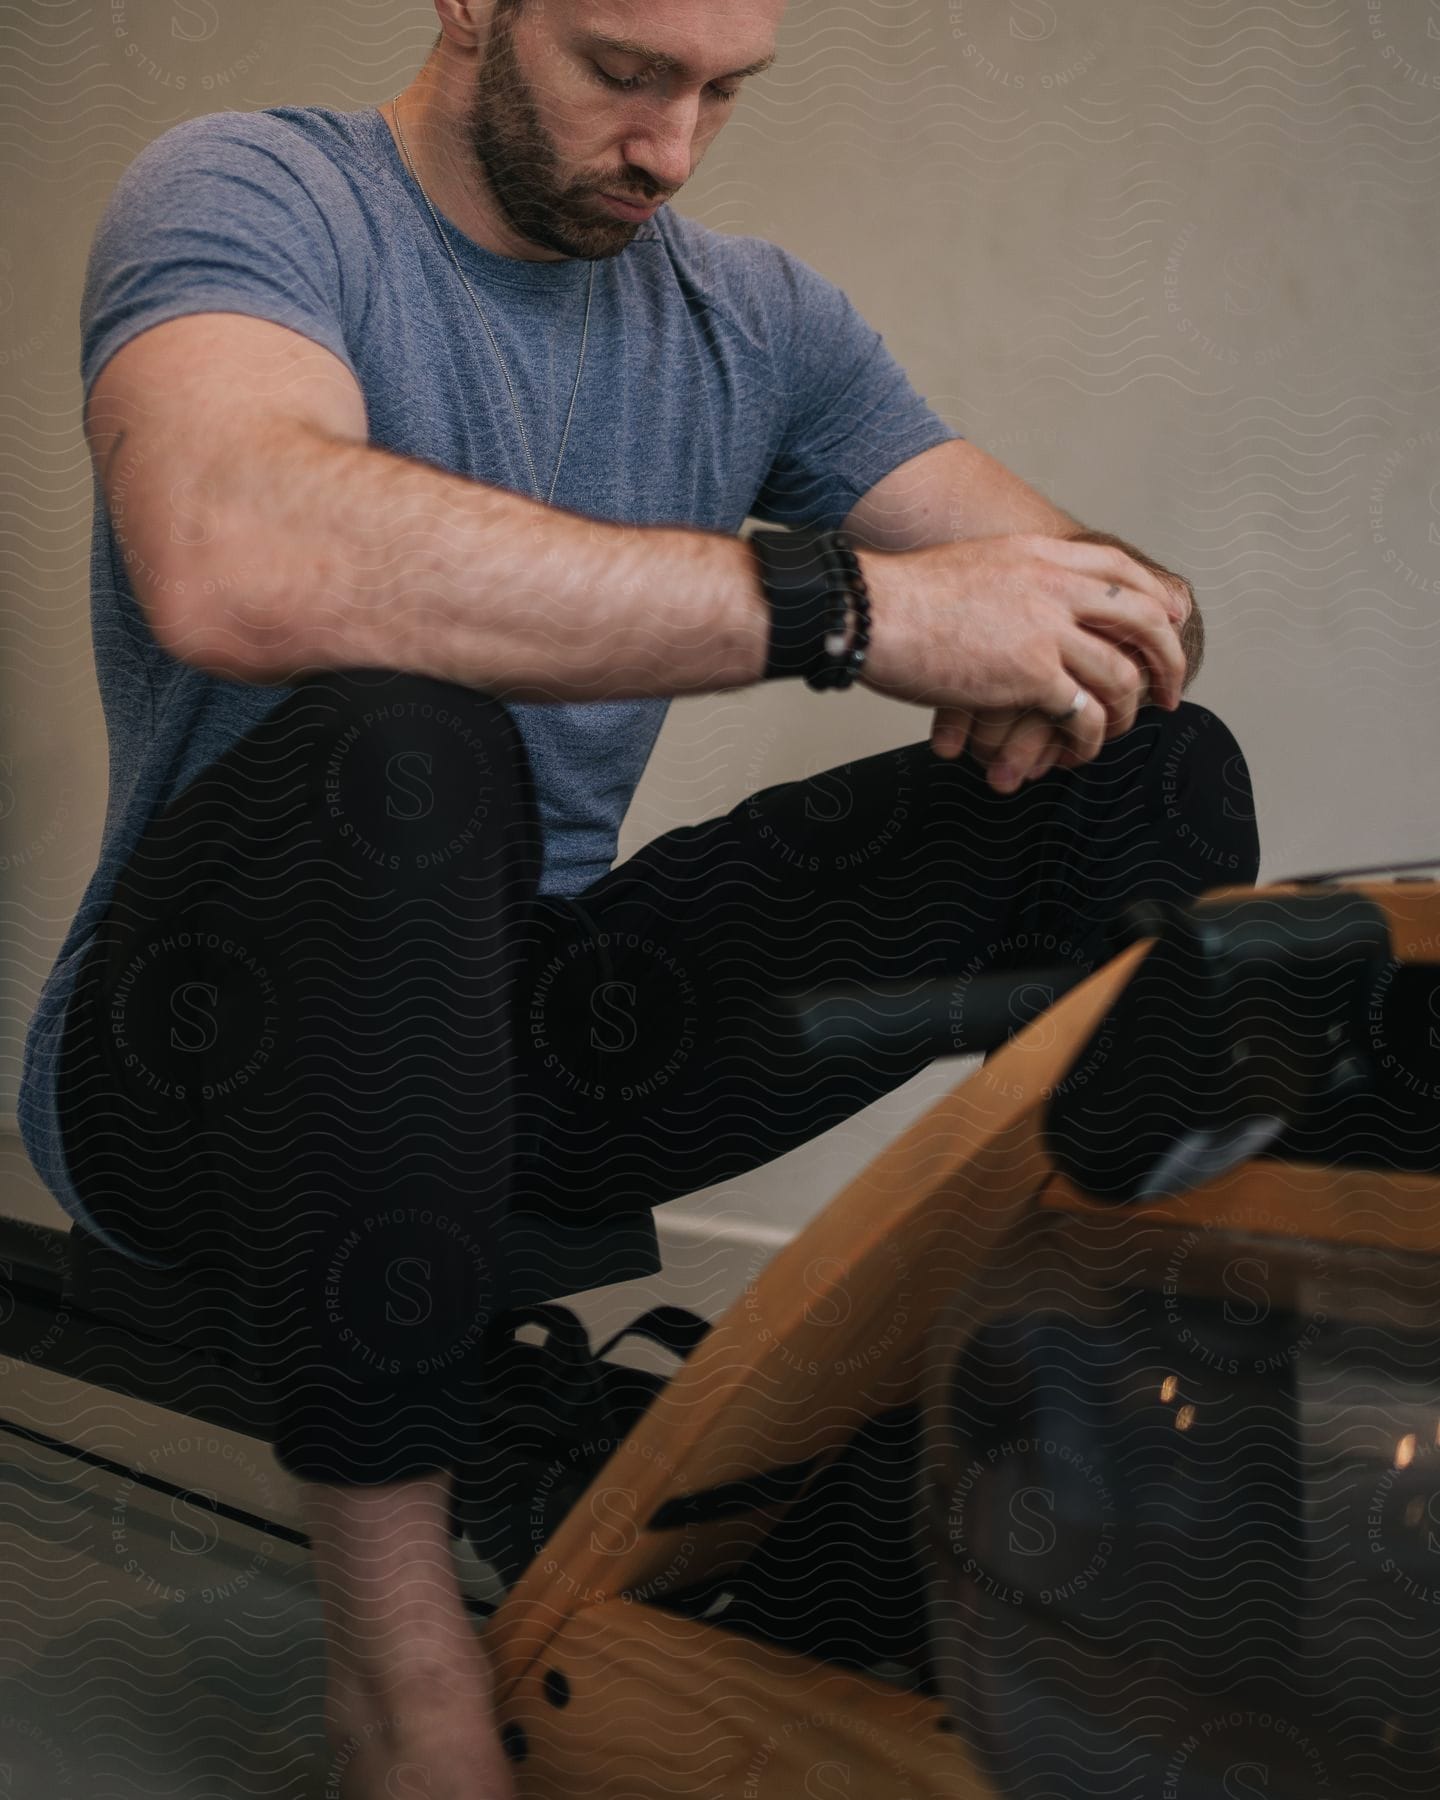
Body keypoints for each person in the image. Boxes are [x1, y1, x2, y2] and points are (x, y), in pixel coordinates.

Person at [18, 1, 1254, 1795]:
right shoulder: (253, 191)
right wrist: (857, 608)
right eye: (624, 71)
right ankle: (399, 1664)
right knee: (413, 732)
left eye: (721, 93)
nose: (671, 147)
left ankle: (997, 1463)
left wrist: (1086, 630)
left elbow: (1117, 599)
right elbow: (234, 551)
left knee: (1149, 762)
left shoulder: (754, 315)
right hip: (193, 1061)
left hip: (530, 1045)